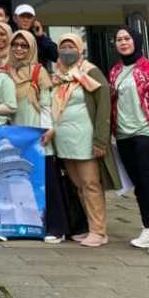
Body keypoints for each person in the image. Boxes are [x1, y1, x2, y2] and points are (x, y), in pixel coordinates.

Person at [50, 33, 121, 248]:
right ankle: (91, 226)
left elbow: (103, 106)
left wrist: (101, 139)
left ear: (80, 48)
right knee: (78, 186)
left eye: (71, 45)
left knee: (91, 184)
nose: (67, 50)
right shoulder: (57, 75)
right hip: (64, 140)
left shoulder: (90, 72)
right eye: (63, 46)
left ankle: (98, 231)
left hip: (85, 138)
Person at [109, 26, 149, 256]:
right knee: (138, 185)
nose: (123, 42)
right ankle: (148, 228)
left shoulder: (148, 69)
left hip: (146, 134)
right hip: (124, 136)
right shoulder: (115, 71)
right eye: (119, 39)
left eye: (127, 38)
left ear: (135, 41)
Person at [9, 30, 67, 244]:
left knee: (47, 180)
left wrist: (47, 129)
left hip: (37, 133)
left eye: (25, 45)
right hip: (15, 133)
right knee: (20, 181)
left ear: (32, 47)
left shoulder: (39, 71)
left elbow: (46, 103)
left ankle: (56, 226)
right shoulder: (6, 72)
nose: (19, 49)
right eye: (15, 45)